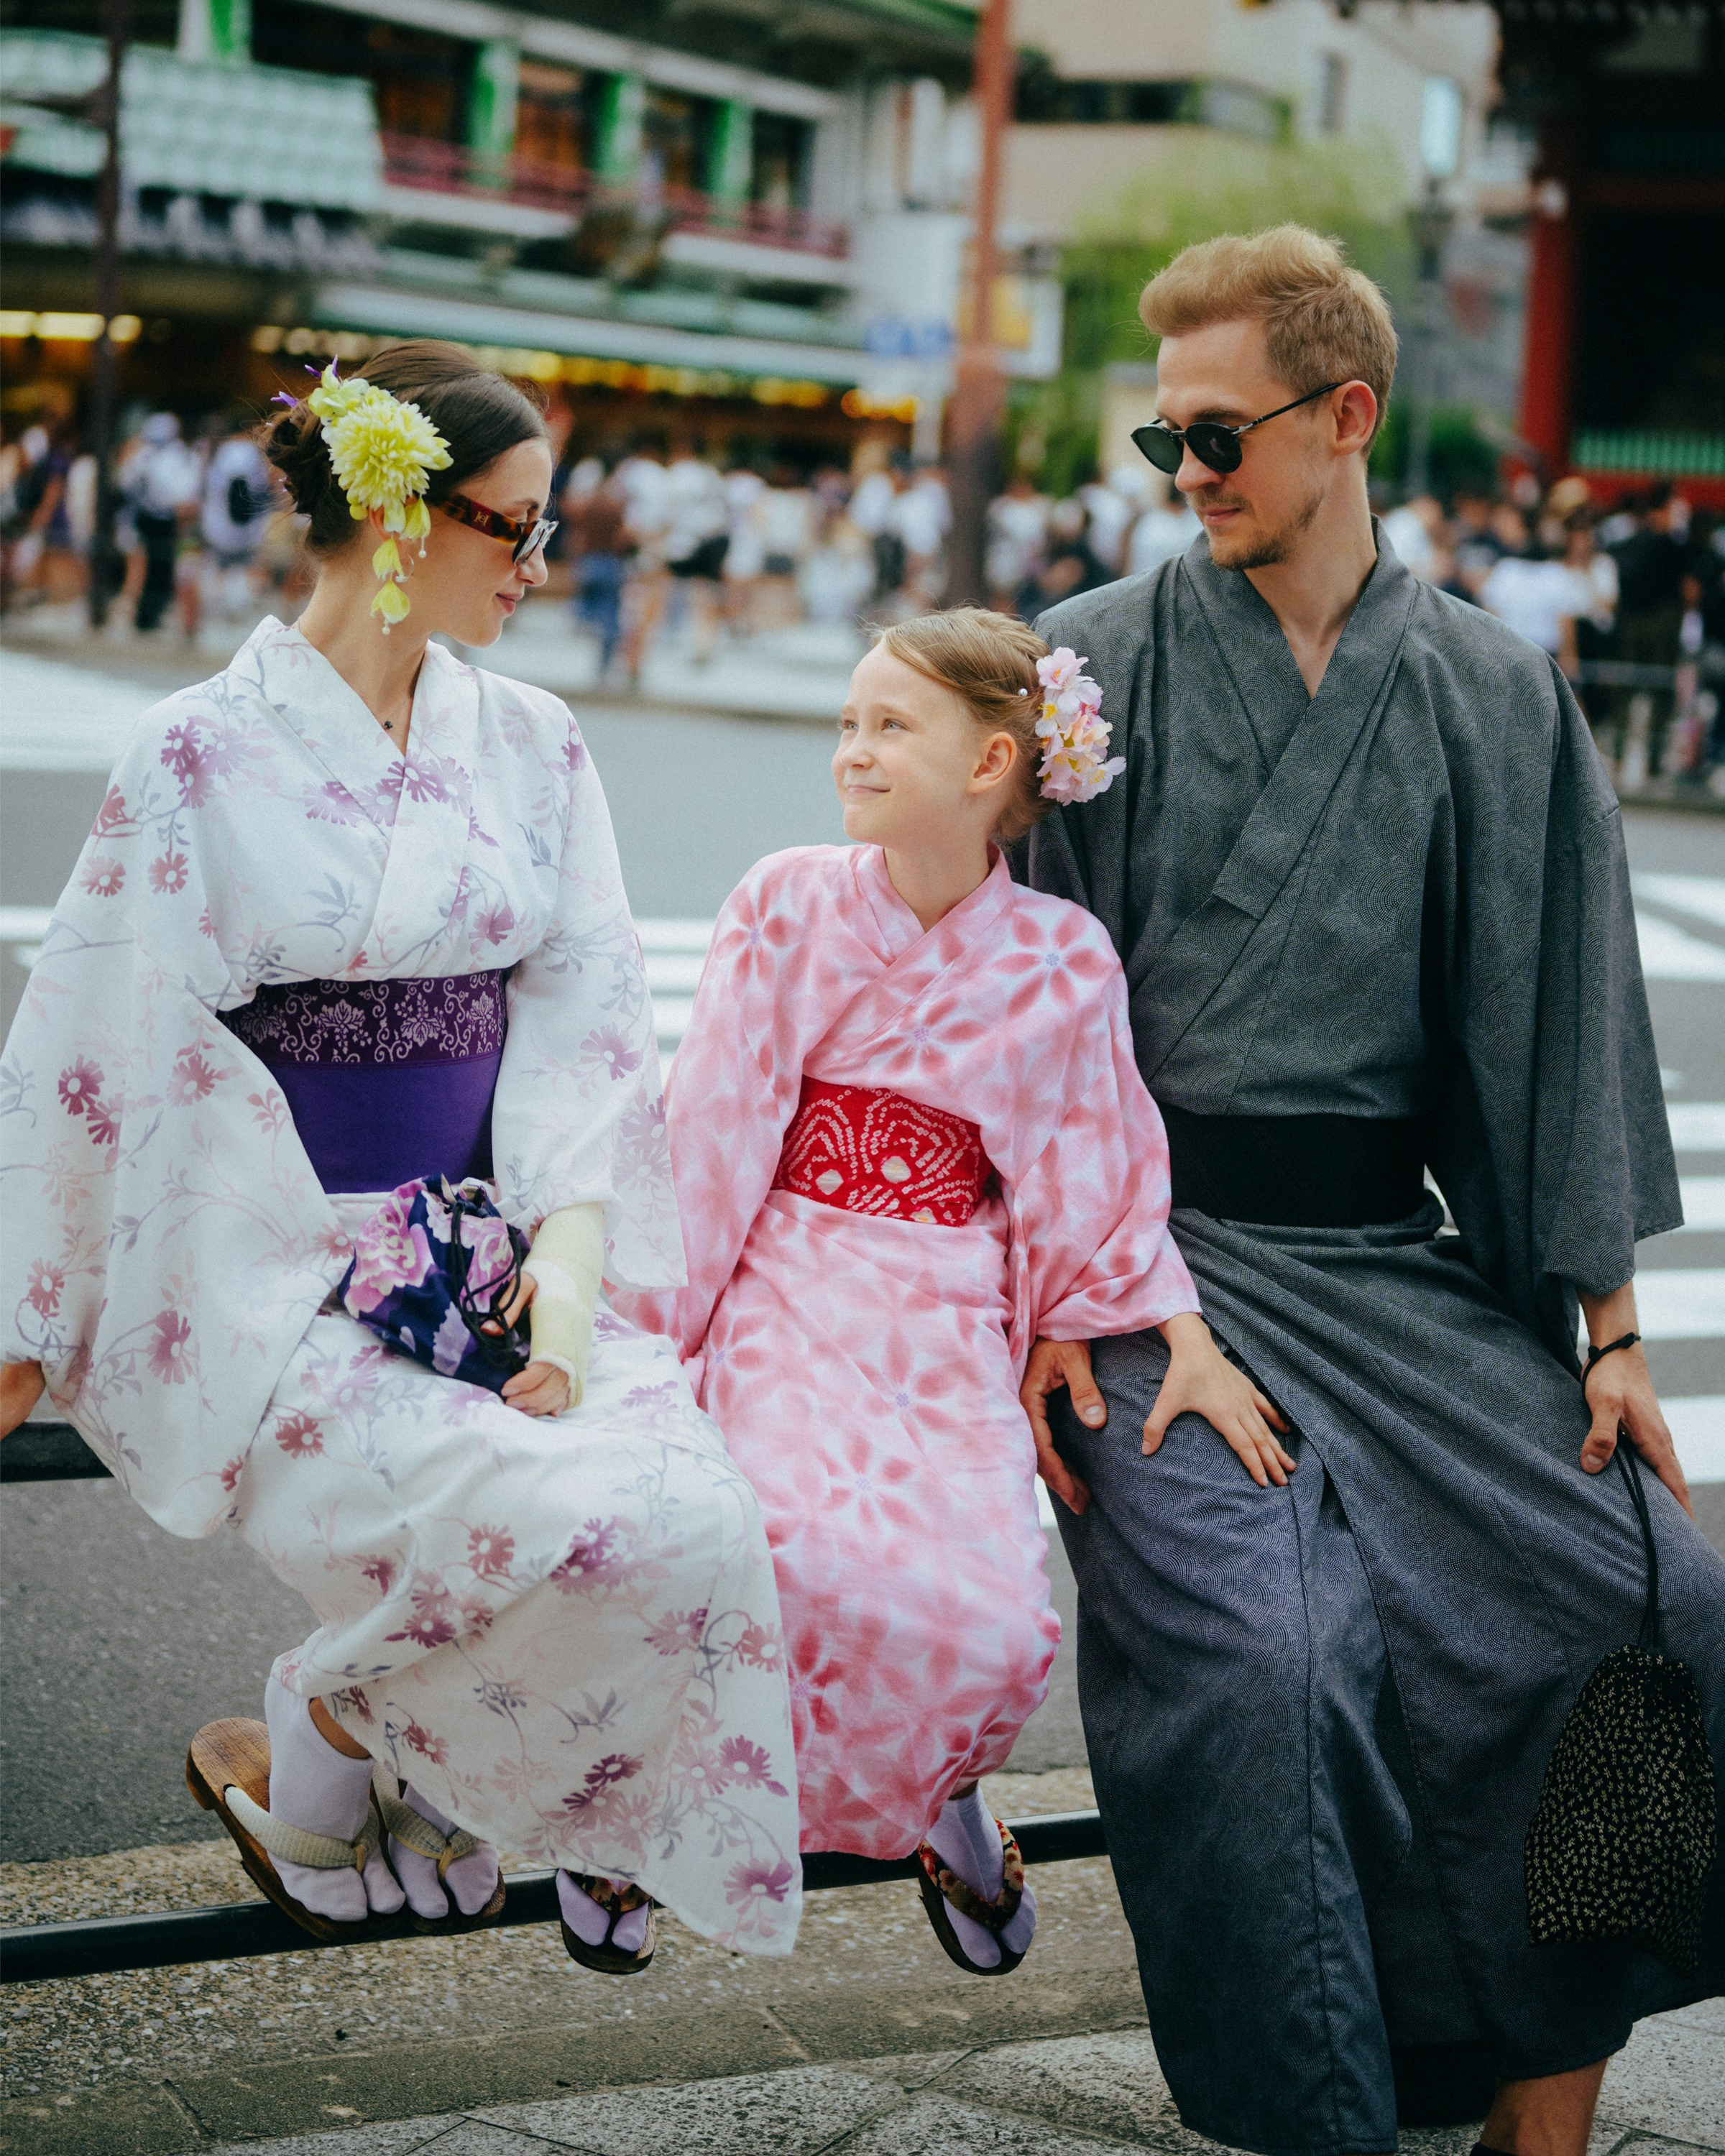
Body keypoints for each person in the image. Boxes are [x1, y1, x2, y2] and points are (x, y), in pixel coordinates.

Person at [1018, 228, 1724, 2156]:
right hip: (1148, 1263)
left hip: (1388, 1268)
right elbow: (1000, 1024)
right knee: (1270, 1663)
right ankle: (1322, 2106)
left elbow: (1560, 1014)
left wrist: (1609, 1331)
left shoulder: (1494, 694)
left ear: (1346, 421)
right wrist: (1034, 1308)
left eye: (1221, 436)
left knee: (1652, 1595)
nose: (1189, 479)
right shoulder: (1085, 668)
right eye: (1166, 445)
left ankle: (1543, 2099)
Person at [0, 341, 799, 1974]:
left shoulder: (537, 740)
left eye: (543, 528)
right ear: (393, 514)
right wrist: (23, 1315)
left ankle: (366, 1744)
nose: (540, 564)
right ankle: (340, 1738)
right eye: (513, 528)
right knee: (510, 1509)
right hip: (283, 1261)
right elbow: (92, 1041)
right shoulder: (196, 755)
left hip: (497, 1253)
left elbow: (583, 1021)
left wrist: (563, 1292)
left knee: (693, 1513)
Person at [616, 609, 1274, 1977]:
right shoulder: (787, 899)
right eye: (848, 722)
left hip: (940, 1307)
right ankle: (635, 1816)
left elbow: (1090, 1174)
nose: (851, 751)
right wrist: (647, 1340)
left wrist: (1135, 1326)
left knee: (987, 1618)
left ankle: (944, 1792)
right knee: (759, 1548)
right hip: (788, 1273)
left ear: (990, 764)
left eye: (887, 727)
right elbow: (716, 1127)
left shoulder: (1061, 957)